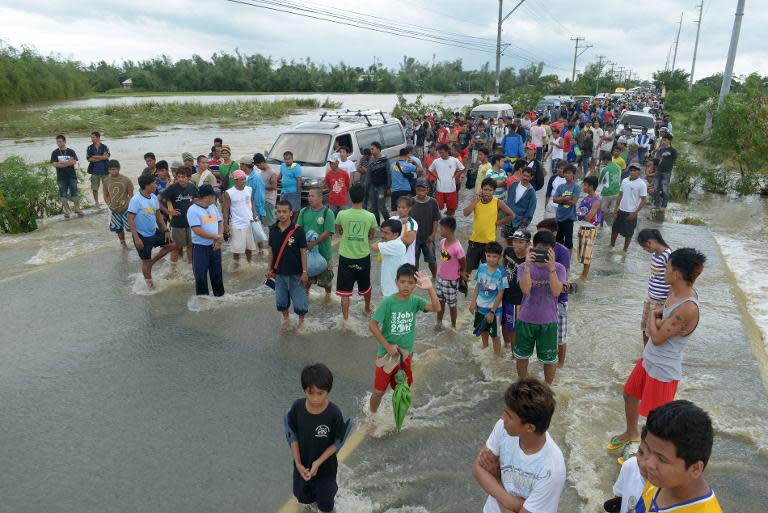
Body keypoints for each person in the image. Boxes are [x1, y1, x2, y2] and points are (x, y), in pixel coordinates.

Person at [609, 248, 706, 454]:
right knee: (629, 394)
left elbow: (658, 338)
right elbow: (661, 323)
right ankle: (631, 433)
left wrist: (654, 316)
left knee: (656, 418)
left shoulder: (688, 306)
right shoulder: (675, 293)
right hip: (649, 360)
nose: (664, 270)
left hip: (664, 369)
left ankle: (646, 452)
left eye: (667, 267)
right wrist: (659, 321)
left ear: (677, 274)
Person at [472, 378, 566, 513]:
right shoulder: (504, 427)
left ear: (529, 428)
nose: (503, 419)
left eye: (509, 416)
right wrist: (515, 504)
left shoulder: (552, 470)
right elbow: (478, 468)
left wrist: (497, 480)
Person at [368, 264, 440, 413]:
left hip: (406, 355)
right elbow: (373, 325)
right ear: (396, 282)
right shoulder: (388, 302)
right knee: (379, 391)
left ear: (415, 284)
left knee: (402, 389)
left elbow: (437, 308)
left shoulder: (415, 301)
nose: (406, 286)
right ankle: (372, 417)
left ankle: (398, 416)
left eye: (410, 282)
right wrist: (387, 346)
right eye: (402, 282)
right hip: (386, 355)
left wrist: (430, 288)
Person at [633, 400, 722, 513]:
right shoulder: (661, 479)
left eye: (661, 459)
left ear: (695, 468)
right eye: (646, 451)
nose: (647, 463)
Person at [286, 363, 346, 513]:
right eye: (310, 393)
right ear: (304, 390)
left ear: (328, 391)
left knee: (326, 506)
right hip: (303, 467)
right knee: (304, 498)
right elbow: (292, 436)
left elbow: (337, 443)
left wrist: (318, 463)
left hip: (325, 469)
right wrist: (298, 464)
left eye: (320, 393)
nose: (315, 398)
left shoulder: (334, 414)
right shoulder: (297, 408)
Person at [515, 230, 567, 384]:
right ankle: (522, 383)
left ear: (553, 250)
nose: (543, 254)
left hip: (548, 321)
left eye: (547, 250)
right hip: (526, 319)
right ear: (532, 247)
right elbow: (525, 290)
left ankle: (547, 387)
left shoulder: (559, 268)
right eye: (539, 249)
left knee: (550, 359)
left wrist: (551, 269)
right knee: (522, 357)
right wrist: (527, 267)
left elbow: (556, 291)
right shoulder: (523, 267)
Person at [335, 184, 377, 321]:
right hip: (362, 256)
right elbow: (372, 234)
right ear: (364, 197)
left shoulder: (342, 214)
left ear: (349, 197)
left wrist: (345, 235)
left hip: (345, 257)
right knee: (366, 286)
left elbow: (338, 230)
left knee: (344, 292)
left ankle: (345, 321)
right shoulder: (370, 216)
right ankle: (367, 308)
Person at [126, 173, 176, 288]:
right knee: (145, 262)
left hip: (154, 231)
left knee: (173, 244)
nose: (156, 185)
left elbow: (158, 216)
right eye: (153, 183)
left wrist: (166, 230)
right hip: (141, 236)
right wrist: (136, 238)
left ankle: (152, 262)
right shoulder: (136, 200)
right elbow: (130, 219)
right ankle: (150, 286)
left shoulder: (153, 197)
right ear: (146, 186)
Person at [267, 200, 309, 330]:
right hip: (279, 274)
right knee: (281, 301)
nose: (281, 214)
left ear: (291, 213)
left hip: (296, 274)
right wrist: (269, 269)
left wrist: (304, 272)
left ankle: (301, 323)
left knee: (299, 302)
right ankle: (286, 320)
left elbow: (303, 252)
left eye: (284, 211)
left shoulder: (298, 231)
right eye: (278, 211)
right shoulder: (273, 229)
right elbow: (271, 251)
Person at [463, 178, 515, 274]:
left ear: (494, 191)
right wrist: (475, 201)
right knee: (467, 269)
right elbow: (465, 213)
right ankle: (464, 288)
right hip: (474, 241)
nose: (487, 192)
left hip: (489, 243)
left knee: (489, 271)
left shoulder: (498, 202)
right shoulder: (476, 201)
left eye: (490, 190)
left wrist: (498, 223)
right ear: (481, 189)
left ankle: (485, 288)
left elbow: (511, 215)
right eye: (485, 189)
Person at [469, 242, 507, 357]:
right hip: (480, 307)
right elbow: (477, 286)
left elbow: (501, 294)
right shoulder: (481, 267)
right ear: (485, 255)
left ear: (499, 257)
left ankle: (496, 357)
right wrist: (473, 302)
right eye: (489, 256)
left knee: (495, 335)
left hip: (494, 311)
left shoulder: (501, 273)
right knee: (483, 330)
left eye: (494, 256)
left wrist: (492, 312)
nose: (491, 259)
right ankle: (485, 348)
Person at [297, 187, 336, 297]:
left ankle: (328, 298)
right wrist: (304, 244)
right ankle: (306, 299)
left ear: (320, 198)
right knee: (306, 281)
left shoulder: (328, 213)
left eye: (312, 196)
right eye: (309, 196)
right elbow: (298, 229)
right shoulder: (303, 212)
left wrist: (314, 242)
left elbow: (328, 231)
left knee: (327, 282)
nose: (309, 198)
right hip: (307, 254)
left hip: (324, 253)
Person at [186, 184, 224, 297]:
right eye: (214, 196)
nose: (216, 198)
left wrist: (219, 238)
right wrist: (216, 237)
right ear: (208, 197)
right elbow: (197, 230)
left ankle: (220, 297)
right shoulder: (192, 210)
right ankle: (203, 302)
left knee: (217, 274)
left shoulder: (213, 207)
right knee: (200, 276)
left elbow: (219, 222)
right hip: (200, 248)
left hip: (215, 246)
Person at [637, 229, 672, 345]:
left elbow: (672, 279)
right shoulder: (654, 254)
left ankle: (649, 357)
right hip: (650, 298)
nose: (645, 250)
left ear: (650, 242)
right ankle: (644, 355)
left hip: (660, 302)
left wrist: (669, 302)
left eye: (645, 247)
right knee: (644, 328)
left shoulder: (668, 255)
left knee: (652, 331)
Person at [161, 166, 197, 272]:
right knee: (176, 248)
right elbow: (157, 200)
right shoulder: (172, 188)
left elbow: (196, 200)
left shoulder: (192, 187)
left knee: (191, 246)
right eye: (179, 177)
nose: (180, 179)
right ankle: (173, 270)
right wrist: (168, 212)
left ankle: (191, 268)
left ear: (189, 178)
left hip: (191, 223)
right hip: (177, 223)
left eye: (183, 177)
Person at [604, 428, 648, 513]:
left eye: (661, 459)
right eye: (641, 452)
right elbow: (619, 495)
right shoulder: (630, 466)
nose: (644, 463)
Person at [501, 230, 530, 354]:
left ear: (528, 244)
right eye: (514, 241)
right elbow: (503, 266)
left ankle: (514, 354)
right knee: (503, 324)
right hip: (504, 294)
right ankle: (506, 345)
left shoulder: (528, 261)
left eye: (521, 242)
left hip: (517, 300)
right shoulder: (508, 251)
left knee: (513, 328)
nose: (516, 244)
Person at [222, 170, 258, 268]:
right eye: (241, 179)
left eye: (244, 179)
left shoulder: (249, 189)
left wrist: (254, 213)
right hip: (236, 223)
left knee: (249, 247)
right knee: (237, 249)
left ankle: (249, 264)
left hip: (248, 222)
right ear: (235, 180)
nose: (244, 181)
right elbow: (225, 209)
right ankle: (236, 266)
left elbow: (251, 201)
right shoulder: (229, 193)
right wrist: (226, 224)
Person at [436, 216, 465, 330]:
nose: (439, 230)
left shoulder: (457, 247)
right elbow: (444, 260)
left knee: (452, 305)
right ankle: (439, 323)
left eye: (441, 228)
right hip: (440, 278)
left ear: (448, 229)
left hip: (451, 280)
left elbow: (463, 263)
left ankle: (453, 326)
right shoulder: (442, 242)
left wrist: (461, 275)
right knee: (440, 302)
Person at [611, 163, 648, 252]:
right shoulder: (624, 181)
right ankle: (611, 247)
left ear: (639, 172)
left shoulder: (642, 184)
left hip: (631, 212)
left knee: (629, 234)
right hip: (621, 210)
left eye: (635, 170)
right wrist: (615, 209)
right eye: (631, 170)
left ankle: (625, 251)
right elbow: (620, 195)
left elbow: (643, 200)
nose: (632, 172)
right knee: (614, 230)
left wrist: (635, 213)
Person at [410, 178, 441, 279]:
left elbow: (436, 219)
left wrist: (433, 234)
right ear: (415, 189)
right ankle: (415, 280)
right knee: (414, 261)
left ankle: (434, 277)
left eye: (423, 190)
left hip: (428, 237)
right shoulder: (411, 202)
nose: (421, 192)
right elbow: (407, 219)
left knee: (432, 260)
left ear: (427, 190)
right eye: (419, 190)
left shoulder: (433, 202)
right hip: (414, 238)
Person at [576, 175, 602, 281]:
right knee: (582, 254)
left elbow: (588, 217)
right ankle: (583, 275)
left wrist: (582, 213)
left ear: (591, 186)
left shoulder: (597, 200)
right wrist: (582, 214)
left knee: (587, 255)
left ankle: (584, 277)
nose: (584, 187)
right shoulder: (585, 199)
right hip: (582, 228)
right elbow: (579, 213)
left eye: (585, 185)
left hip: (590, 229)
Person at [102, 159, 133, 248]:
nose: (112, 171)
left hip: (126, 209)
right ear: (108, 170)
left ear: (119, 169)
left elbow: (131, 195)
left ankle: (136, 241)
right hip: (114, 209)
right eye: (110, 169)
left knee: (131, 227)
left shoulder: (126, 180)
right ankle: (123, 244)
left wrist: (127, 204)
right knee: (118, 229)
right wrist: (109, 205)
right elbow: (105, 195)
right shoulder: (106, 180)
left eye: (114, 169)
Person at [372, 219, 407, 297]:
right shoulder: (392, 242)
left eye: (386, 233)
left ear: (396, 234)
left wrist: (382, 239)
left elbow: (374, 247)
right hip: (390, 286)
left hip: (394, 289)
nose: (382, 235)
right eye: (382, 231)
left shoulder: (395, 245)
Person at [428, 144, 465, 216]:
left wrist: (455, 176)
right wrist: (436, 176)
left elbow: (462, 168)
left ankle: (450, 221)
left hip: (451, 189)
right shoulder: (436, 161)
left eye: (442, 152)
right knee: (439, 208)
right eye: (439, 152)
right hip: (440, 189)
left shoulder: (454, 160)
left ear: (447, 151)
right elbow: (430, 169)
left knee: (451, 209)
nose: (440, 154)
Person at [50, 134, 82, 218]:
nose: (58, 143)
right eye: (57, 141)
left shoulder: (71, 151)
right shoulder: (55, 152)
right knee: (63, 194)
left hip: (71, 176)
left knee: (74, 192)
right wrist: (67, 163)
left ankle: (77, 208)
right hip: (61, 177)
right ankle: (67, 211)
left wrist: (62, 163)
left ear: (64, 141)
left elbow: (74, 162)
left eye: (60, 141)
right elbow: (55, 164)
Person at [553, 165, 581, 254]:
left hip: (569, 217)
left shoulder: (576, 187)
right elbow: (554, 199)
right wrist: (565, 199)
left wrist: (560, 200)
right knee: (558, 240)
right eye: (565, 173)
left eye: (569, 173)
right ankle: (558, 258)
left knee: (568, 241)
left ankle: (567, 262)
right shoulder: (560, 186)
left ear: (573, 175)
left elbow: (574, 202)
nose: (567, 175)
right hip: (559, 216)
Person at [243, 156, 266, 256]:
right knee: (250, 231)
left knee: (257, 230)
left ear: (244, 165)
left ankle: (260, 250)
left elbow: (260, 197)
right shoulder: (244, 176)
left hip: (254, 209)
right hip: (246, 208)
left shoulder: (256, 178)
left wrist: (255, 211)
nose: (240, 166)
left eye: (241, 164)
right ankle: (253, 251)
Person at [389, 195, 418, 266]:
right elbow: (384, 234)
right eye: (398, 207)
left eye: (403, 208)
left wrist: (393, 237)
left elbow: (409, 240)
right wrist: (400, 223)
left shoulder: (412, 223)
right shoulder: (392, 219)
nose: (400, 210)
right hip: (393, 259)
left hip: (406, 260)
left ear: (409, 208)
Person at [505, 167, 536, 232]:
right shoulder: (513, 185)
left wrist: (524, 224)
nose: (525, 178)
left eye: (527, 176)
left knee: (517, 241)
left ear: (531, 177)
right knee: (505, 240)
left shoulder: (531, 192)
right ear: (521, 174)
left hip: (519, 222)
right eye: (524, 175)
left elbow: (531, 209)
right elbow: (508, 200)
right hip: (507, 219)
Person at [365, 142, 390, 225]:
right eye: (371, 149)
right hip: (372, 186)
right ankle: (377, 225)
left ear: (378, 149)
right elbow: (368, 175)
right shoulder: (371, 161)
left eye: (373, 149)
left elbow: (389, 174)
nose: (371, 151)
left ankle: (389, 224)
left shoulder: (385, 160)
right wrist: (366, 188)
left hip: (382, 187)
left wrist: (389, 187)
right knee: (373, 208)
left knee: (381, 206)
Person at [85, 131, 110, 208]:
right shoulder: (89, 148)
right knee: (94, 188)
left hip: (105, 170)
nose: (92, 139)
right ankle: (96, 202)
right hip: (94, 171)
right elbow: (89, 159)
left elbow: (106, 157)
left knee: (107, 187)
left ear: (98, 137)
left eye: (93, 137)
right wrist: (101, 157)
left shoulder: (104, 147)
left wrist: (95, 156)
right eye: (91, 137)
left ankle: (108, 201)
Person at [653, 133, 677, 209]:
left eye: (665, 140)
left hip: (667, 172)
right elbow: (660, 159)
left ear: (669, 141)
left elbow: (675, 162)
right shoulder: (662, 149)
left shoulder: (673, 151)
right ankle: (656, 204)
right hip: (659, 170)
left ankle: (664, 206)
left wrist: (669, 166)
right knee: (656, 188)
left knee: (665, 189)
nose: (663, 141)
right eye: (663, 140)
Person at [598, 153, 622, 226]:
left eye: (602, 161)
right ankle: (614, 227)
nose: (602, 162)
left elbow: (600, 181)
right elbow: (619, 179)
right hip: (617, 192)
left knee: (602, 211)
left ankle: (601, 226)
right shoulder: (618, 167)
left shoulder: (605, 169)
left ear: (605, 160)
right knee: (613, 211)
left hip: (607, 193)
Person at [254, 153, 277, 228]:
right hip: (262, 200)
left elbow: (274, 186)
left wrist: (261, 185)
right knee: (263, 223)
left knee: (270, 223)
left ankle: (273, 238)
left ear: (262, 162)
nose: (258, 167)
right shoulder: (262, 172)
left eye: (258, 165)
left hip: (269, 201)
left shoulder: (272, 172)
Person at [280, 151, 303, 218]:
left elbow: (299, 180)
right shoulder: (283, 165)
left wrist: (298, 192)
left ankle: (293, 224)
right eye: (285, 159)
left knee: (295, 210)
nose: (287, 161)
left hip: (293, 192)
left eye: (289, 159)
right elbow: (280, 175)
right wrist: (273, 180)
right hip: (284, 192)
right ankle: (286, 222)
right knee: (283, 209)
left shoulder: (296, 167)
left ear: (292, 159)